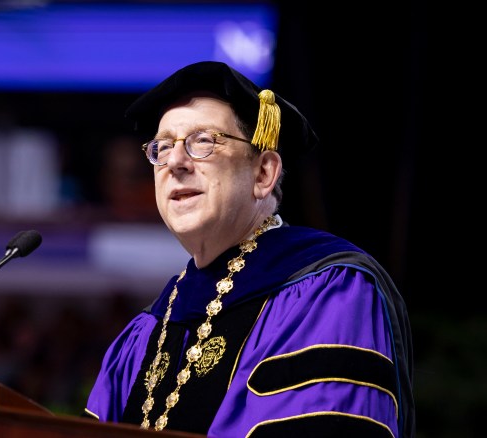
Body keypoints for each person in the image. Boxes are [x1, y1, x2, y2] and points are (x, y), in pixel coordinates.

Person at [83, 61, 415, 438]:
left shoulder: (328, 292)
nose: (174, 162)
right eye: (162, 147)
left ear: (263, 174)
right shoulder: (145, 331)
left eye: (203, 141)